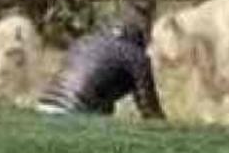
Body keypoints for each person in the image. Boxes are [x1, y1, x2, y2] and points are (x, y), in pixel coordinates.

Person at [36, 20, 165, 119]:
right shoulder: (136, 55)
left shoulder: (83, 42)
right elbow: (149, 109)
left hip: (45, 104)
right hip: (75, 111)